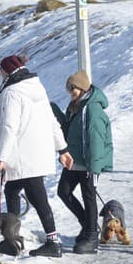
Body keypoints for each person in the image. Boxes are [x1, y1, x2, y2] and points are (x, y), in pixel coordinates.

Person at [0, 55, 73, 258]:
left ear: (7, 71)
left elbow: (10, 127)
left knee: (36, 197)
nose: (0, 75)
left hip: (22, 155)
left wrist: (1, 157)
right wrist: (62, 149)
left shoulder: (12, 92)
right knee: (14, 191)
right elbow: (52, 121)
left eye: (1, 71)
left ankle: (51, 242)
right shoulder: (37, 88)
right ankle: (12, 239)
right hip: (39, 153)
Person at [56, 70, 113, 254]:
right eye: (69, 88)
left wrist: (94, 167)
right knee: (63, 191)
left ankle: (91, 236)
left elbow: (96, 139)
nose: (70, 91)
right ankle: (88, 225)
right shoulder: (76, 106)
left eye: (72, 88)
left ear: (81, 87)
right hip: (74, 160)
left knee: (89, 197)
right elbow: (70, 130)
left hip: (88, 163)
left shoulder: (92, 109)